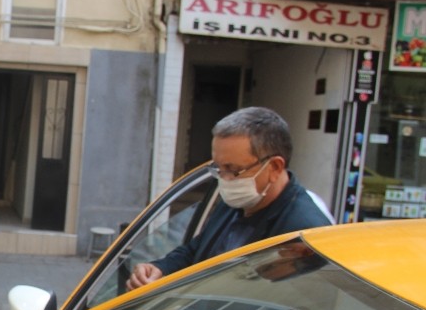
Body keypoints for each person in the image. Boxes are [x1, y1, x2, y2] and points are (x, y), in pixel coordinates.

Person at [126, 106, 333, 291]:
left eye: (232, 169)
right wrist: (160, 269)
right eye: (218, 168)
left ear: (274, 167)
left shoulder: (304, 235)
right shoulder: (240, 200)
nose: (224, 180)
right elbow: (197, 251)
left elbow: (285, 309)